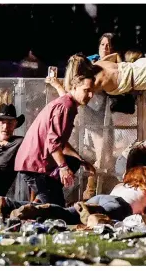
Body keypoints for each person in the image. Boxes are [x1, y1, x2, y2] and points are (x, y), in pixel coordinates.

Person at [60, 29, 146, 120]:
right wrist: (120, 66)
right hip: (142, 64)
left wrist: (57, 85)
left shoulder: (93, 82)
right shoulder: (100, 63)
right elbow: (115, 55)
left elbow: (76, 99)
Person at [13, 69, 97, 207]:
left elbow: (60, 141)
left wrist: (81, 160)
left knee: (74, 162)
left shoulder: (68, 104)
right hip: (35, 165)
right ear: (74, 88)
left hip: (38, 164)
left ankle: (42, 198)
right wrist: (63, 167)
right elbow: (53, 141)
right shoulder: (66, 106)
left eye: (92, 91)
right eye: (86, 90)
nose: (90, 95)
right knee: (57, 211)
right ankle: (11, 206)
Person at [0, 166, 146, 225]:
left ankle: (13, 205)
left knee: (67, 213)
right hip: (119, 204)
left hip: (100, 198)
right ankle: (93, 211)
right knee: (110, 214)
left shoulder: (120, 185)